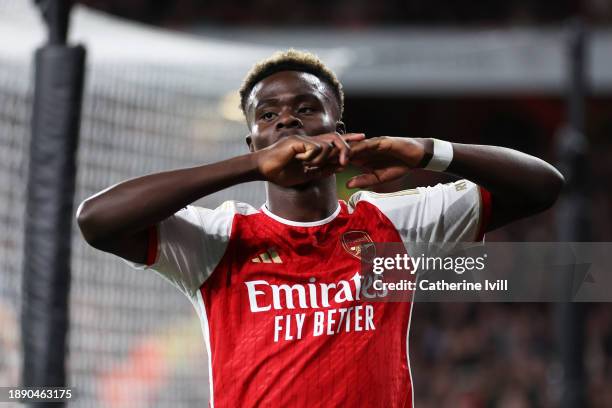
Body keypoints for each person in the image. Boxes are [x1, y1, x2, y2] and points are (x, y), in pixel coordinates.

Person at [76, 49, 564, 407]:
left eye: (306, 107)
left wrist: (426, 150)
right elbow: (95, 220)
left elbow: (544, 186)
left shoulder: (393, 223)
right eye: (268, 116)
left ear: (337, 124)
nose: (287, 119)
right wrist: (251, 168)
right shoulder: (218, 238)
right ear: (253, 142)